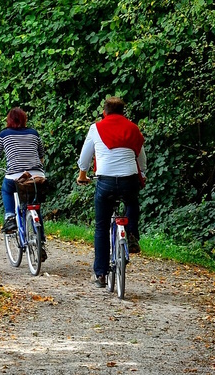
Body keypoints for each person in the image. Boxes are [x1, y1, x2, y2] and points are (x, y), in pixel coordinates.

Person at [76, 96, 146, 288]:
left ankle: (100, 274)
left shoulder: (95, 128)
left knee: (101, 226)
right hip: (129, 180)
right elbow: (141, 158)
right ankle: (131, 233)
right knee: (132, 202)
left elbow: (84, 159)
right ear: (123, 112)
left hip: (105, 182)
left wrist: (83, 175)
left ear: (104, 112)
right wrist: (144, 173)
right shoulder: (132, 128)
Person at [0, 107, 47, 238]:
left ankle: (10, 218)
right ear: (24, 119)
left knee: (6, 189)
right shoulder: (34, 133)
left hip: (15, 176)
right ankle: (41, 241)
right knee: (34, 204)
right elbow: (41, 156)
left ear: (9, 120)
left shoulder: (4, 134)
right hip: (36, 176)